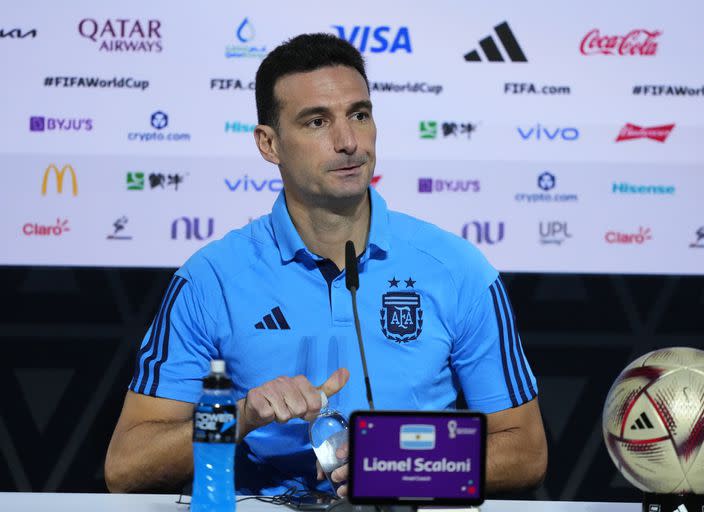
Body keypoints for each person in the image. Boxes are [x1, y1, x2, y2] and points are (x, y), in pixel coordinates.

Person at [105, 33, 547, 497]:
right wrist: (239, 418)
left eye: (359, 115)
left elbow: (526, 451)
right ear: (269, 144)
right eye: (316, 122)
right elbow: (128, 465)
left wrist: (398, 468)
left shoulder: (458, 269)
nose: (348, 142)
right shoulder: (209, 280)